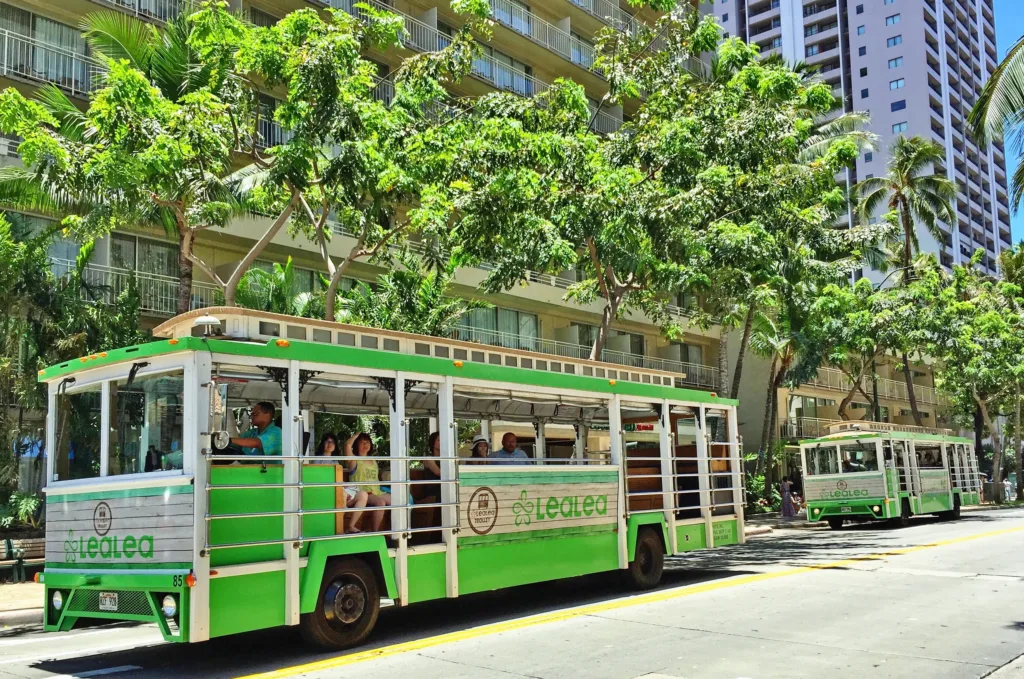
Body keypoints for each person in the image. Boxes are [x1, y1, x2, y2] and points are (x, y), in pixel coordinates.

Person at [343, 433, 391, 532]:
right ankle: (375, 532)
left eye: (367, 442)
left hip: (377, 491)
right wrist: (356, 436)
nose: (365, 444)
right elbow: (347, 446)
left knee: (399, 501)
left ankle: (394, 532)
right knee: (380, 502)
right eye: (362, 442)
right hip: (363, 492)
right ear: (356, 444)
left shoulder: (373, 460)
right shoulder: (354, 460)